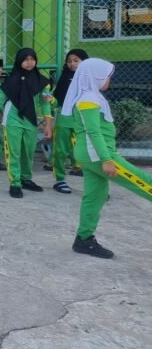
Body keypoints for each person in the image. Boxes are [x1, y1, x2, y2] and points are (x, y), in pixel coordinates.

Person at [62, 58, 152, 258]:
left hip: (93, 154)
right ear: (95, 76)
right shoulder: (88, 99)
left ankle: (83, 240)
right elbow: (93, 132)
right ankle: (84, 238)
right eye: (107, 76)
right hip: (97, 155)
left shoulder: (92, 97)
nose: (109, 80)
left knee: (95, 196)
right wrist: (107, 159)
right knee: (143, 182)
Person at [0, 48, 52, 198]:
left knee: (28, 152)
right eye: (25, 59)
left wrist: (48, 124)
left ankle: (26, 179)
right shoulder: (11, 80)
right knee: (14, 152)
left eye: (32, 59)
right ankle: (15, 183)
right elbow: (0, 100)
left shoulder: (42, 81)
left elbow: (46, 103)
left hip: (30, 120)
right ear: (19, 61)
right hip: (12, 118)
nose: (29, 63)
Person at [51, 49, 88, 194]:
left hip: (83, 118)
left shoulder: (89, 78)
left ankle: (93, 185)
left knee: (84, 151)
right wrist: (50, 100)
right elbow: (57, 99)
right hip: (64, 119)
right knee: (60, 150)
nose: (72, 64)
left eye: (76, 60)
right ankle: (60, 180)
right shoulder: (65, 78)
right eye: (69, 61)